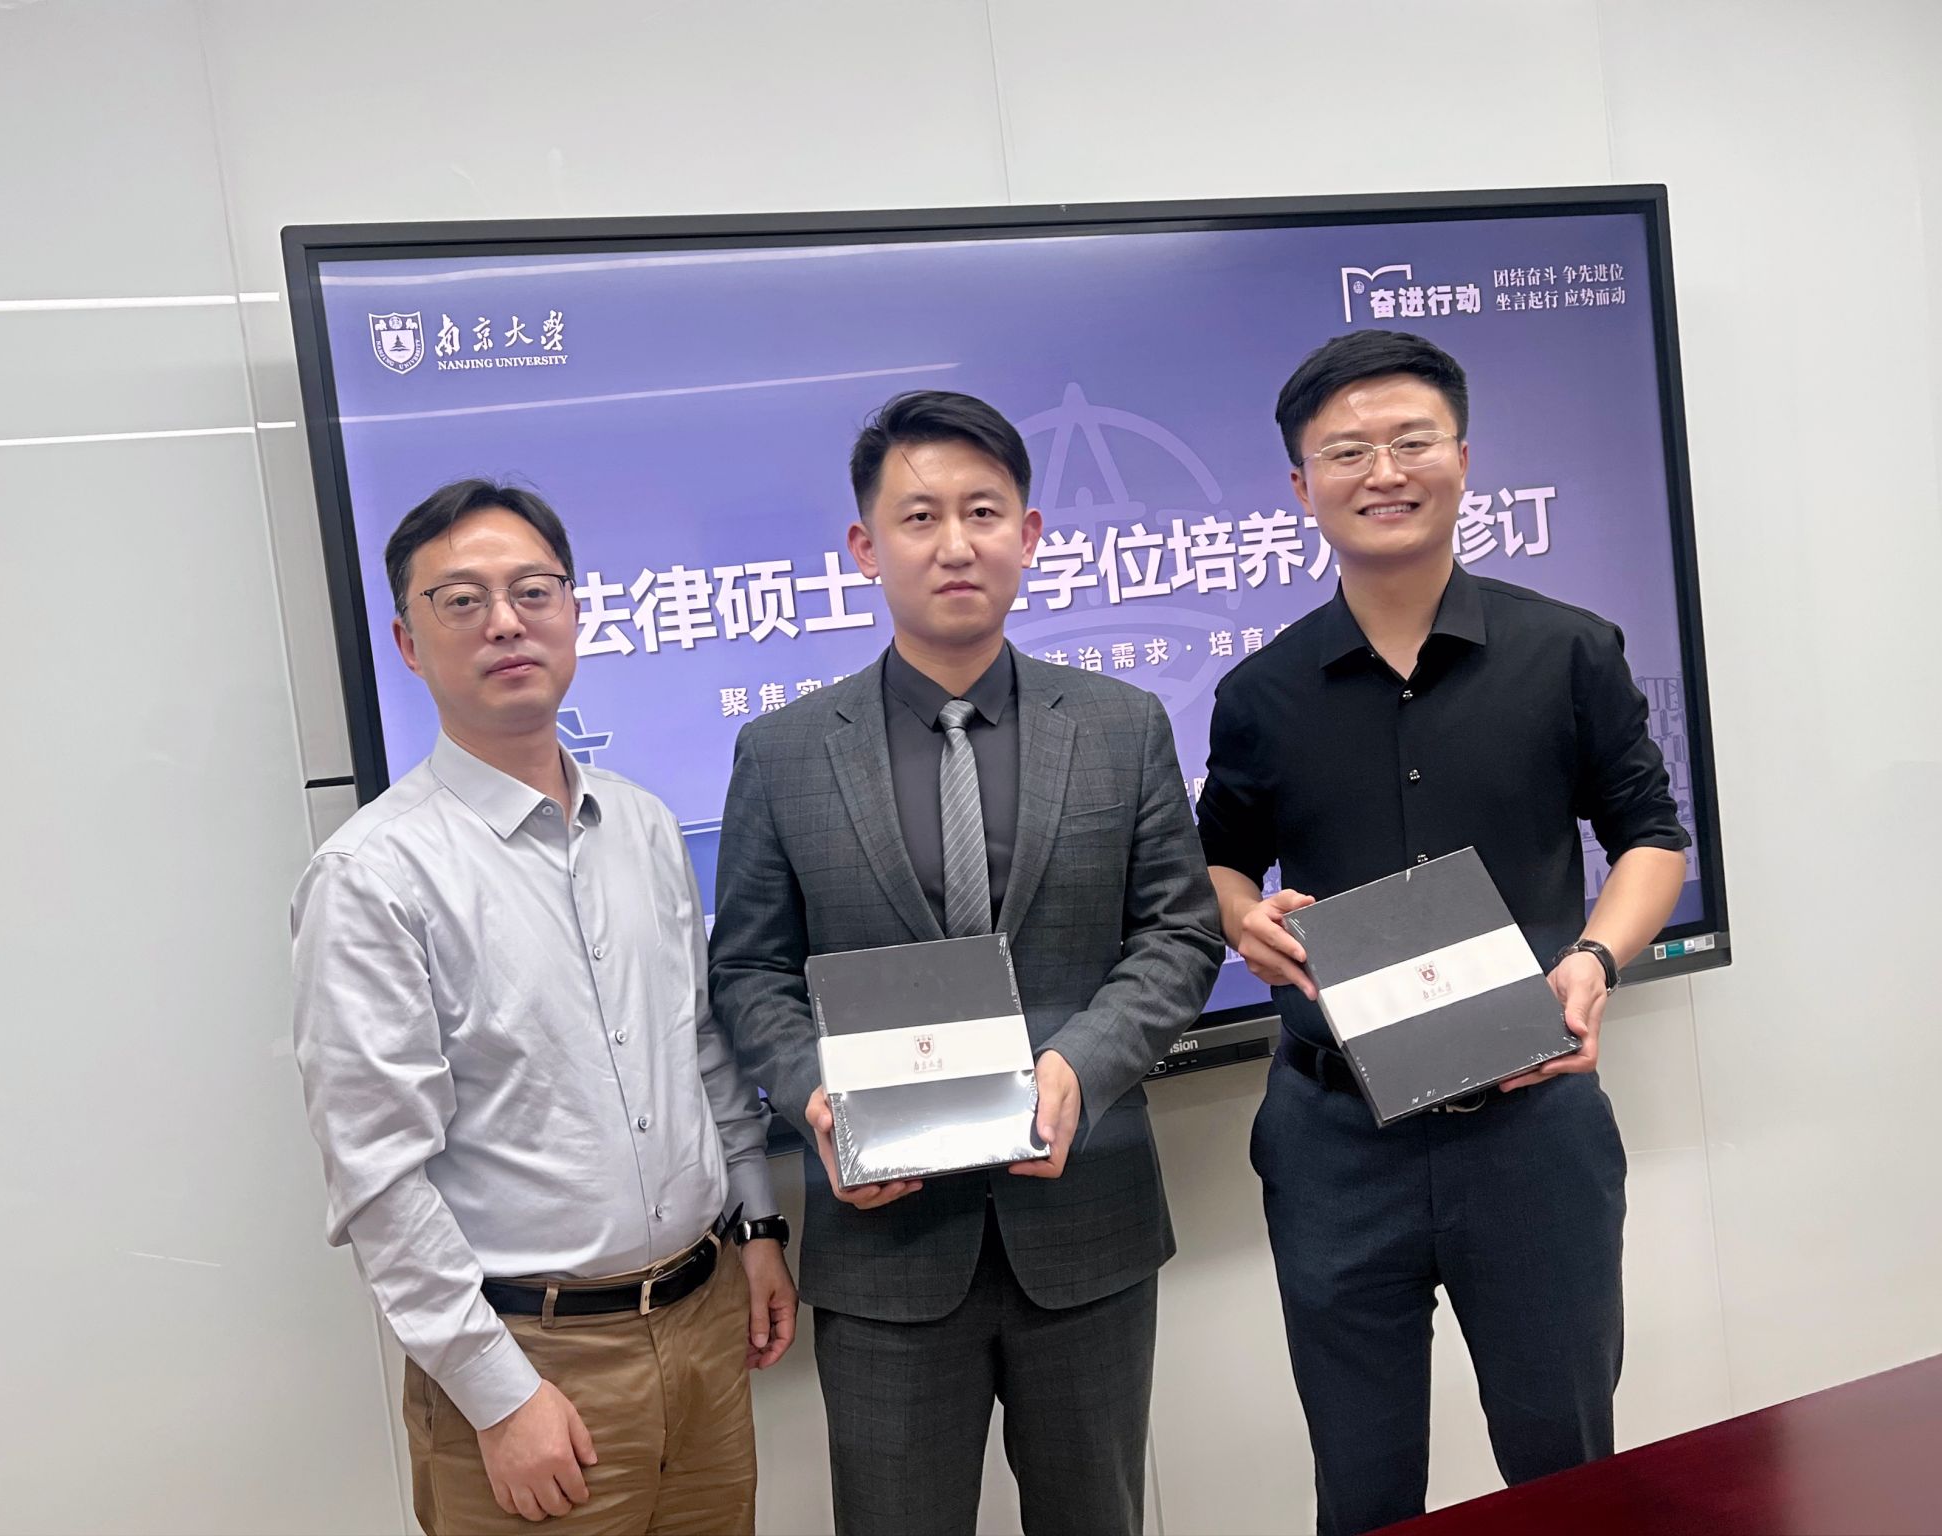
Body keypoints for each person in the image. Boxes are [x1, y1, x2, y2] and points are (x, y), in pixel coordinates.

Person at [1199, 331, 1690, 1536]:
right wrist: (1241, 917)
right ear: (1299, 485)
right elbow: (1217, 861)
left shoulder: (1567, 650)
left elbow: (1650, 838)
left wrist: (1591, 960)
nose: (1383, 471)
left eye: (1410, 441)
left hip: (1530, 1124)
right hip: (1333, 1135)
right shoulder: (1258, 694)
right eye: (1345, 451)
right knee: (1362, 1486)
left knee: (1564, 1469)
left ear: (1462, 460)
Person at [709, 390, 1223, 1536]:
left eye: (982, 512)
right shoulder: (784, 753)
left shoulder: (1122, 725)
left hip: (1083, 1228)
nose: (954, 543)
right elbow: (746, 972)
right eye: (919, 516)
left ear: (1027, 535)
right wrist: (815, 1098)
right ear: (864, 547)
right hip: (883, 1246)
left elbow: (1179, 934)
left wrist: (1081, 1066)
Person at [291, 480, 796, 1534]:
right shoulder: (373, 877)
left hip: (702, 1324)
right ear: (407, 642)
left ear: (573, 611)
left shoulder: (644, 826)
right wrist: (496, 1393)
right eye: (461, 600)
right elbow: (378, 1176)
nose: (506, 622)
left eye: (533, 591)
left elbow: (699, 1047)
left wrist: (756, 1225)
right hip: (533, 1362)